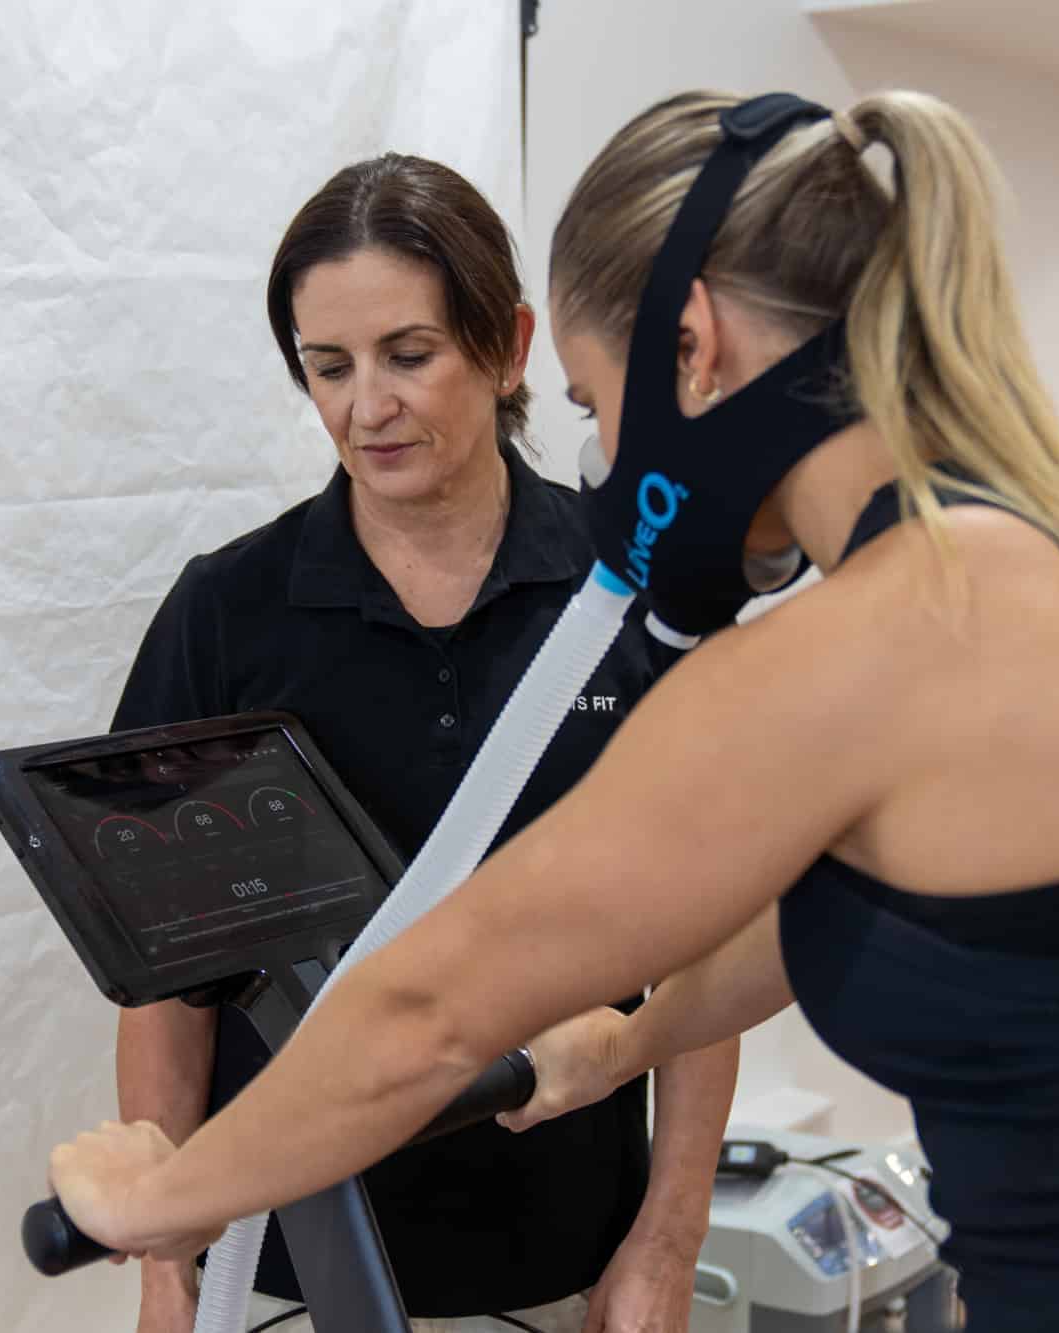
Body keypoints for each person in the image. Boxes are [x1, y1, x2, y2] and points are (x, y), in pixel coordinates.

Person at [53, 91, 1059, 1333]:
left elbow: (420, 1011)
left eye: (600, 403)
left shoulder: (849, 654)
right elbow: (929, 906)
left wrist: (158, 1198)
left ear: (697, 348)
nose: (605, 459)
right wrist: (628, 1037)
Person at [105, 152, 738, 1333]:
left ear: (504, 345)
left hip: (562, 1261)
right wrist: (166, 1273)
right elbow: (168, 981)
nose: (365, 407)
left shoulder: (627, 596)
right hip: (280, 1268)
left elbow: (711, 944)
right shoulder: (231, 612)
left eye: (408, 355)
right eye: (326, 367)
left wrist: (666, 1237)